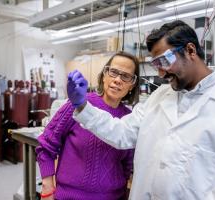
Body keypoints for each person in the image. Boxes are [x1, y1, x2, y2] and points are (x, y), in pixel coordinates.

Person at [68, 20, 215, 200]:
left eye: (164, 62)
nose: (161, 73)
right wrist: (83, 106)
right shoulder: (159, 97)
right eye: (156, 65)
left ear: (190, 50)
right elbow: (121, 132)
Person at [36, 51, 140, 200]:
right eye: (114, 72)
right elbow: (46, 145)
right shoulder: (79, 105)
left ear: (132, 85)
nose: (118, 80)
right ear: (104, 75)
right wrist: (47, 187)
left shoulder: (129, 120)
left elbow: (126, 166)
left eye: (126, 76)